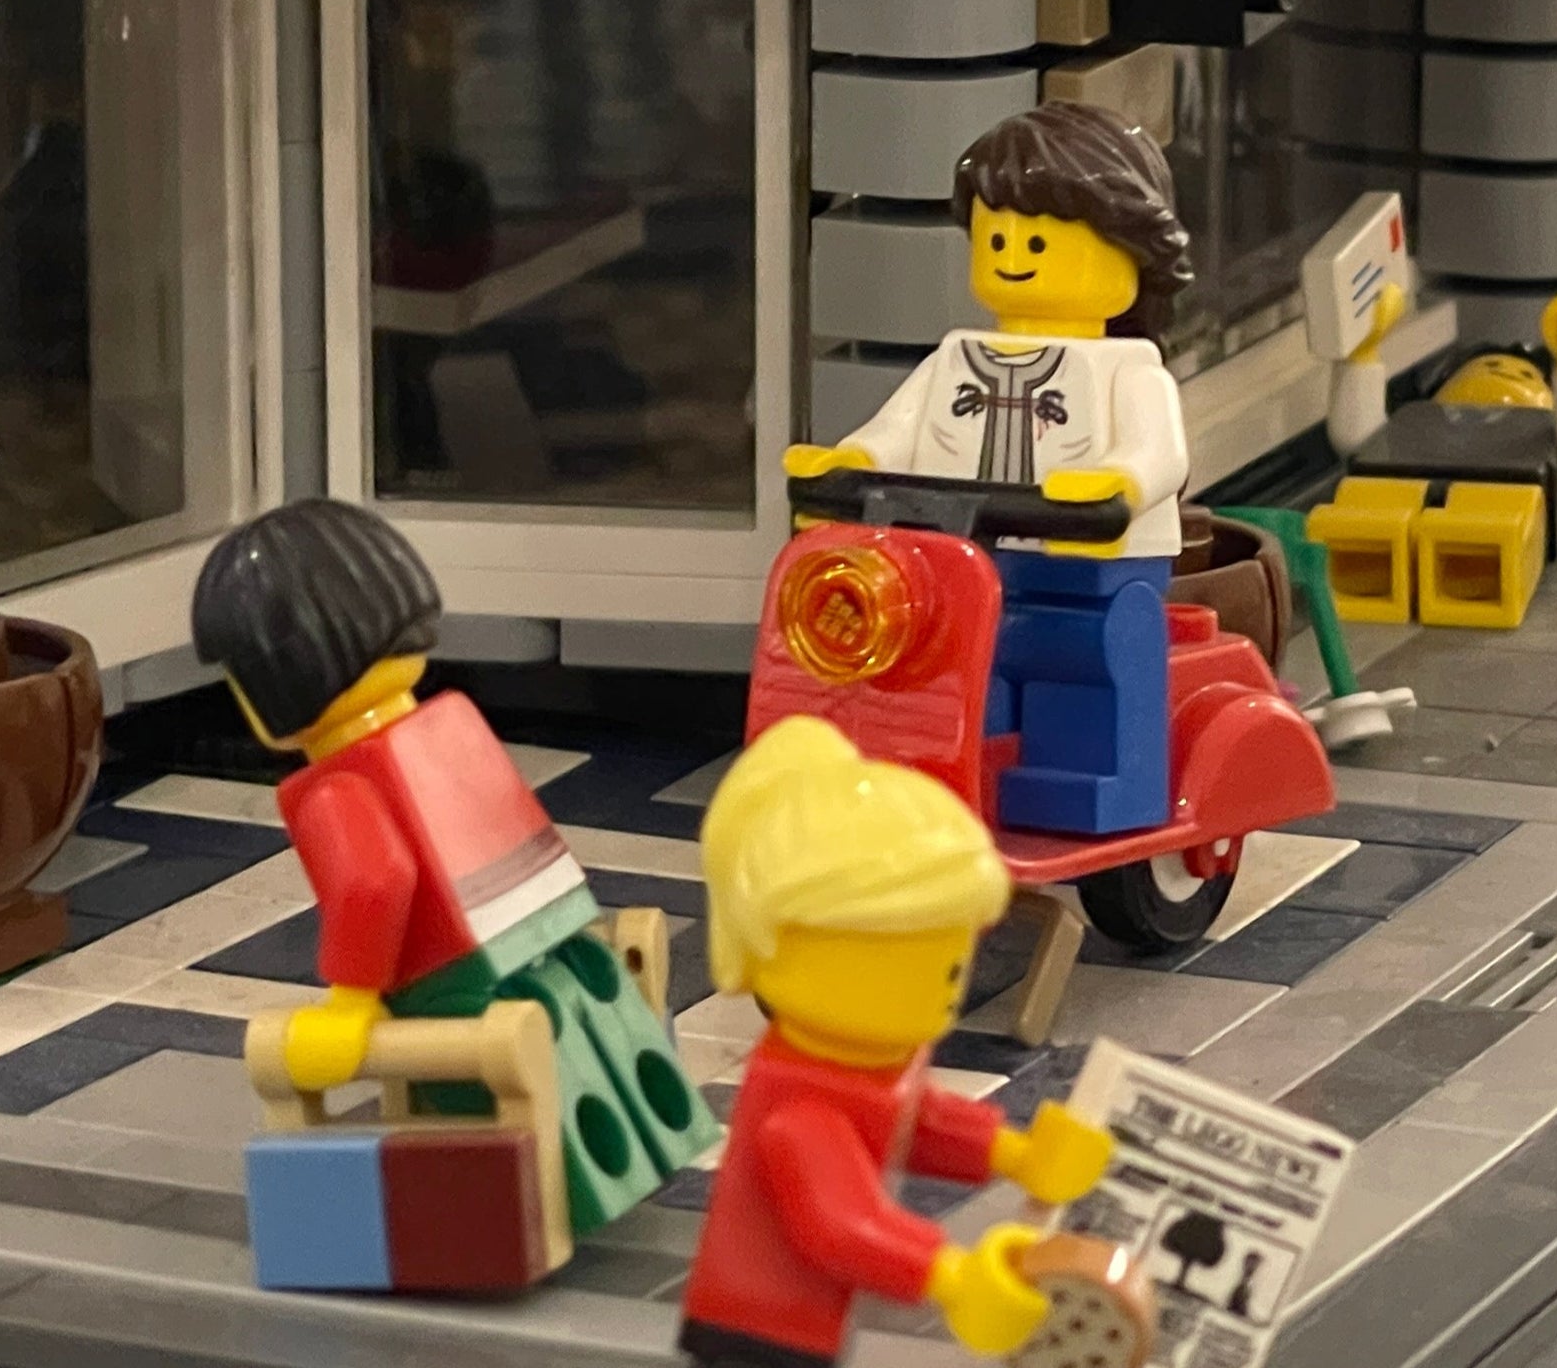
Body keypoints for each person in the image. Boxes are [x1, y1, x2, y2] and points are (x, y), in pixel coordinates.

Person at [189, 497, 716, 1231]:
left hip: (456, 981)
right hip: (555, 935)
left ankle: (522, 1206)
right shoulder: (450, 723)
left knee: (481, 1093)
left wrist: (350, 1005)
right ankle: (640, 1145)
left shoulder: (338, 786)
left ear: (273, 675)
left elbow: (374, 883)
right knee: (578, 1042)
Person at [784, 102, 1194, 833]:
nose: (1012, 254)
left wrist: (1117, 484)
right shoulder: (956, 360)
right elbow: (898, 429)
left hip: (1085, 566)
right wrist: (851, 462)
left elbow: (1160, 452)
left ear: (1131, 247)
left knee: (1087, 656)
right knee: (944, 664)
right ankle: (957, 774)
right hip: (958, 562)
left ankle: (1093, 788)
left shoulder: (1129, 371)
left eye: (1038, 240)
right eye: (996, 237)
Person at [681, 715, 1118, 1367]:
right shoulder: (798, 1112)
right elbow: (841, 1225)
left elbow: (916, 1118)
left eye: (955, 959)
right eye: (917, 961)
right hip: (766, 1327)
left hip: (820, 1315)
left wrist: (1016, 1153)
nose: (949, 982)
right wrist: (950, 1277)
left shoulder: (868, 1059)